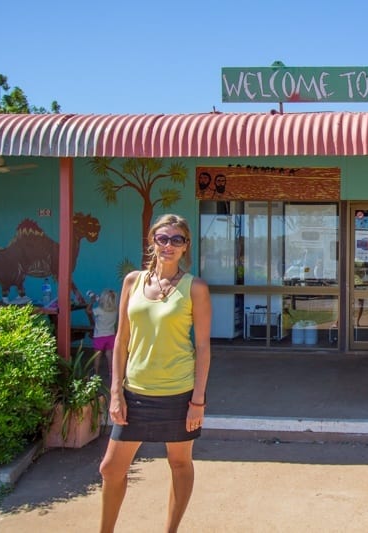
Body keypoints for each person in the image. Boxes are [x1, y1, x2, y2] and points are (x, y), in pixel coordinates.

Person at [99, 214, 211, 532]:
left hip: (178, 393)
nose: (169, 245)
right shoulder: (132, 282)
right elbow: (122, 339)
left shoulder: (195, 288)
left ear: (186, 246)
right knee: (111, 468)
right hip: (135, 392)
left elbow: (203, 347)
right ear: (152, 241)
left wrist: (198, 401)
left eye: (177, 239)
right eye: (163, 238)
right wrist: (116, 393)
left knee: (179, 463)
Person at [86, 288, 118, 377]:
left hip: (99, 336)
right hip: (111, 335)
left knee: (97, 355)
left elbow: (88, 311)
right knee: (109, 354)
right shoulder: (115, 311)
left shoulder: (99, 310)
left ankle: (96, 373)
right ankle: (111, 372)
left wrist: (91, 301)